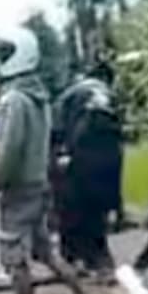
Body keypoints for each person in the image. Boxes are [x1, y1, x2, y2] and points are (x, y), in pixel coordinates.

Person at [0, 28, 105, 294]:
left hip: (16, 188)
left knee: (14, 260)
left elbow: (6, 152)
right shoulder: (38, 96)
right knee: (45, 252)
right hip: (37, 182)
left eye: (4, 54)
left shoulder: (13, 100)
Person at [55, 62, 124, 282]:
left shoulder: (71, 94)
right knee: (97, 213)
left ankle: (79, 260)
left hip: (80, 156)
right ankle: (99, 263)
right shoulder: (109, 94)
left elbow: (58, 128)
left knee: (74, 211)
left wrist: (61, 153)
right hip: (109, 156)